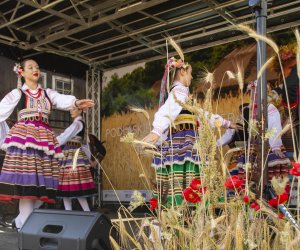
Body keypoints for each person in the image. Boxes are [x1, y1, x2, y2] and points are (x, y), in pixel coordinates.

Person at [0, 59, 94, 230]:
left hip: (44, 141)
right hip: (26, 141)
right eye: (30, 67)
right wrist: (5, 137)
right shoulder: (17, 94)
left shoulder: (47, 94)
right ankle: (23, 228)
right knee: (28, 187)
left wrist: (76, 103)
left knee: (40, 190)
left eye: (37, 67)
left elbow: (61, 99)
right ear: (21, 72)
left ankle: (21, 222)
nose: (35, 69)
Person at [143, 56, 236, 207]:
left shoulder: (182, 95)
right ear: (182, 73)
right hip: (183, 144)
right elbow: (167, 110)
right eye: (190, 73)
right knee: (189, 184)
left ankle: (183, 214)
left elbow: (201, 114)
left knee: (182, 186)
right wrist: (157, 130)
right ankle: (187, 214)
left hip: (185, 144)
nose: (192, 77)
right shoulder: (178, 92)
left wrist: (225, 123)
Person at [56, 108, 96, 211]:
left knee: (75, 187)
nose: (71, 111)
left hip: (72, 155)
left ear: (80, 110)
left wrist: (50, 142)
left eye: (73, 109)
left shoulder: (77, 124)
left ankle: (86, 213)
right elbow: (85, 145)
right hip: (71, 155)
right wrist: (88, 158)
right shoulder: (80, 124)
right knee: (68, 188)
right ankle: (74, 213)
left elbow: (64, 137)